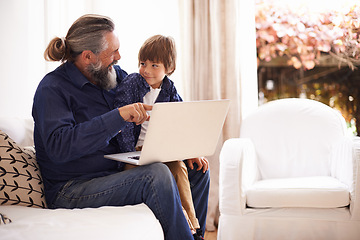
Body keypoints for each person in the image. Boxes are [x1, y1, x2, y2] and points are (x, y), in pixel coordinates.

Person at [32, 14, 210, 240]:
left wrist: (186, 148)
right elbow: (59, 147)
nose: (119, 57)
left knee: (197, 169)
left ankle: (196, 236)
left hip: (117, 171)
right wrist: (118, 116)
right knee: (155, 175)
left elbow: (162, 100)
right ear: (88, 57)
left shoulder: (117, 77)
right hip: (72, 188)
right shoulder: (53, 89)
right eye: (112, 52)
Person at [114, 35, 208, 239]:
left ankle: (193, 227)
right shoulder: (132, 83)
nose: (146, 70)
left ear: (169, 68)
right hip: (134, 153)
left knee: (182, 167)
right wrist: (131, 155)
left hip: (161, 150)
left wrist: (191, 151)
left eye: (154, 65)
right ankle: (186, 226)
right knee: (161, 172)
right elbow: (123, 125)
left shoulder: (169, 88)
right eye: (142, 63)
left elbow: (181, 120)